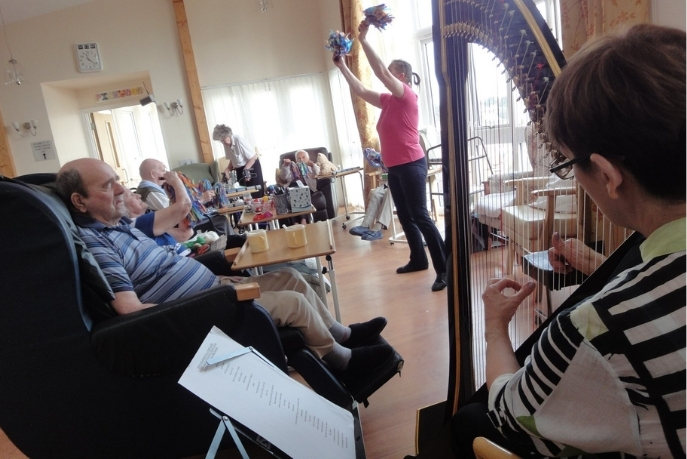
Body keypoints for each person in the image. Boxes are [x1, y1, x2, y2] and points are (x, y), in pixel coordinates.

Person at [408, 24, 686, 459]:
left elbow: (508, 410)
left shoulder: (595, 331)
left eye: (570, 163)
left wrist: (496, 327)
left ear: (609, 175)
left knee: (471, 421)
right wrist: (597, 264)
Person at [56, 158, 395, 383]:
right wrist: (205, 302)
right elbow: (129, 311)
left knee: (291, 277)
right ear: (80, 202)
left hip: (214, 289)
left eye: (117, 181)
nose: (119, 189)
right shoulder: (98, 244)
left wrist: (214, 280)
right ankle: (344, 363)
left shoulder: (122, 226)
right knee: (293, 304)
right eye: (106, 186)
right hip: (208, 308)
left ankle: (344, 335)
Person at [333, 20, 447, 292]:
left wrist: (363, 40)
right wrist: (342, 66)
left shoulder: (406, 96)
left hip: (411, 163)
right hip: (395, 166)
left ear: (403, 77)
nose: (389, 77)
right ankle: (418, 260)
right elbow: (360, 90)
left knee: (420, 215)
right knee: (405, 216)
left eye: (395, 74)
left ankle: (443, 269)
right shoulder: (387, 102)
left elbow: (381, 71)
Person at [212, 124, 265, 198]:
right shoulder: (226, 144)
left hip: (252, 167)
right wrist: (227, 170)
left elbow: (253, 157)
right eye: (221, 141)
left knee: (255, 195)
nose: (223, 142)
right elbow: (232, 159)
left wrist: (246, 170)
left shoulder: (239, 140)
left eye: (223, 140)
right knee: (243, 195)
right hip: (240, 170)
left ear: (228, 135)